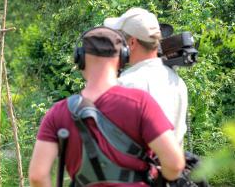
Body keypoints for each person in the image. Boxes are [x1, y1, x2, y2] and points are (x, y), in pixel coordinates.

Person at [29, 27, 185, 186]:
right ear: (123, 58)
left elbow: (37, 175)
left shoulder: (58, 113)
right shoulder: (140, 102)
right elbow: (175, 164)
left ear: (80, 58)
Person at [103, 8, 188, 145]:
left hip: (137, 166)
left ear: (132, 43)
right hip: (171, 164)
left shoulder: (126, 83)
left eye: (119, 39)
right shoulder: (177, 81)